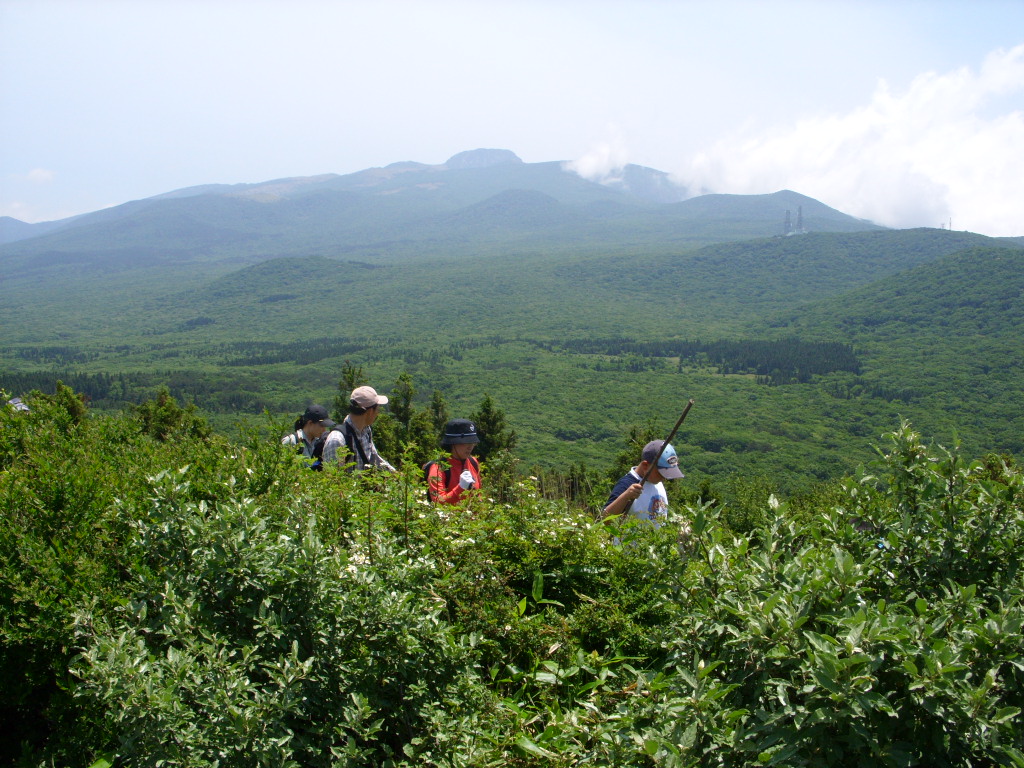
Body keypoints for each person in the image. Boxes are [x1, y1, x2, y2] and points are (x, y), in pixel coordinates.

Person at [603, 440, 685, 526]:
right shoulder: (627, 484)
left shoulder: (656, 482)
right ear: (645, 466)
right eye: (661, 473)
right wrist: (626, 496)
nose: (664, 478)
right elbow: (604, 520)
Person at [318, 385, 396, 472]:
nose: (378, 413)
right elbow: (332, 479)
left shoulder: (366, 431)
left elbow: (374, 458)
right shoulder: (337, 440)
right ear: (370, 412)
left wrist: (397, 475)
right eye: (377, 410)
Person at [427, 418, 482, 504]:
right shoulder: (438, 468)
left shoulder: (473, 462)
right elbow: (438, 502)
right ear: (453, 443)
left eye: (472, 443)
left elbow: (479, 494)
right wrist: (460, 487)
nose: (470, 447)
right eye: (465, 442)